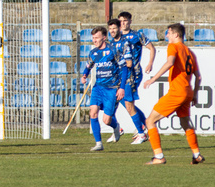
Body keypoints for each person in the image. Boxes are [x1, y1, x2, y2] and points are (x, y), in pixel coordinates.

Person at [141, 23, 204, 165]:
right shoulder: (189, 52)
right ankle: (197, 154)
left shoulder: (173, 47)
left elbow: (170, 62)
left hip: (177, 92)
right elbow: (198, 76)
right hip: (187, 92)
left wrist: (153, 78)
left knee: (150, 121)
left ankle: (158, 156)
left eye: (168, 33)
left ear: (176, 35)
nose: (167, 35)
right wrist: (194, 94)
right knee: (185, 123)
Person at [81, 23, 126, 152]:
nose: (94, 40)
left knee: (107, 120)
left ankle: (116, 127)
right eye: (93, 38)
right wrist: (84, 75)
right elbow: (88, 66)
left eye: (97, 38)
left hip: (111, 88)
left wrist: (121, 88)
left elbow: (124, 69)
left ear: (104, 38)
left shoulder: (113, 50)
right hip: (98, 87)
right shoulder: (93, 53)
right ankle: (98, 143)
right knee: (93, 112)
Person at [117, 11, 156, 144]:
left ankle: (142, 129)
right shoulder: (117, 36)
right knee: (121, 98)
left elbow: (151, 48)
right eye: (121, 21)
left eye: (125, 21)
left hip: (133, 73)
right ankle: (143, 124)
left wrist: (150, 63)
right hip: (120, 73)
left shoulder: (137, 35)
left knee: (128, 102)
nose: (123, 23)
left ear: (130, 21)